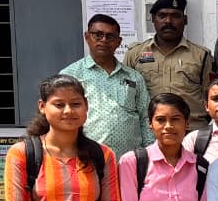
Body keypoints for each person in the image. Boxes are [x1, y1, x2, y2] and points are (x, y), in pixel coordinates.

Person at [62, 14, 153, 158]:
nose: (104, 40)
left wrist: (149, 153)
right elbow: (61, 118)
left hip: (129, 161)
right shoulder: (70, 75)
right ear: (87, 37)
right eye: (98, 35)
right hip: (86, 159)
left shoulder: (134, 77)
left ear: (118, 41)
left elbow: (145, 117)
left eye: (110, 36)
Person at [124, 0, 212, 130]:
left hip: (191, 131)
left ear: (185, 20)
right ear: (153, 19)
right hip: (150, 131)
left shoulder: (202, 55)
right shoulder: (135, 54)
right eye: (162, 16)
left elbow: (211, 95)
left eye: (175, 16)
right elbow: (127, 96)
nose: (168, 21)